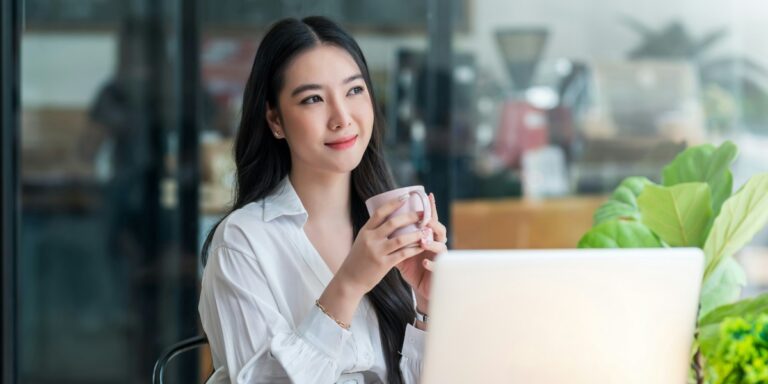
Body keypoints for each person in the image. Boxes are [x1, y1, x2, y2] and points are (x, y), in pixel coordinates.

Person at [198, 16, 448, 384]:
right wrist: (349, 284)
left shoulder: (394, 226)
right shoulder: (243, 241)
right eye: (313, 99)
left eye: (354, 91)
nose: (342, 117)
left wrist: (428, 308)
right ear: (276, 120)